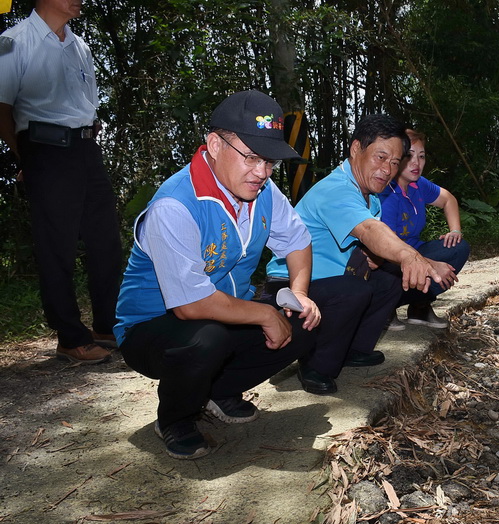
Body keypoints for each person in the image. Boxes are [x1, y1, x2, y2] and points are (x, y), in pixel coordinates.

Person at [114, 90, 321, 459]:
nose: (262, 172)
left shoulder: (264, 191)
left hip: (225, 312)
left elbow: (298, 242)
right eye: (252, 157)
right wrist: (264, 313)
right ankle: (176, 418)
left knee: (304, 322)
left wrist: (300, 293)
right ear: (213, 144)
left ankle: (218, 391)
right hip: (153, 327)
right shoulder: (174, 205)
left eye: (270, 161)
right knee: (206, 339)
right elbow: (190, 306)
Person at [266, 114, 455, 395]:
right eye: (380, 157)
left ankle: (351, 350)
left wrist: (411, 260)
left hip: (331, 281)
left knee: (387, 280)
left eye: (394, 162)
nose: (387, 169)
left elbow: (372, 242)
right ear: (356, 149)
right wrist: (413, 258)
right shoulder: (337, 189)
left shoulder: (371, 195)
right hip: (290, 289)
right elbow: (369, 229)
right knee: (354, 291)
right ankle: (315, 365)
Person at [0, 0, 122, 365]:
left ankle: (106, 324)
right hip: (45, 150)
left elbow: (85, 104)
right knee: (57, 247)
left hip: (86, 149)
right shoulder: (13, 41)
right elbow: (2, 108)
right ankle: (70, 337)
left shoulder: (80, 45)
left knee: (105, 241)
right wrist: (27, 157)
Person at [377, 129, 470, 330]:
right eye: (409, 156)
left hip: (414, 253)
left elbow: (448, 199)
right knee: (386, 266)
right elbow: (387, 249)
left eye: (421, 156)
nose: (416, 163)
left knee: (458, 248)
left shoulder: (417, 184)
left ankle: (419, 306)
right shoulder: (386, 193)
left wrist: (455, 231)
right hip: (390, 259)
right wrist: (431, 265)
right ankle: (385, 307)